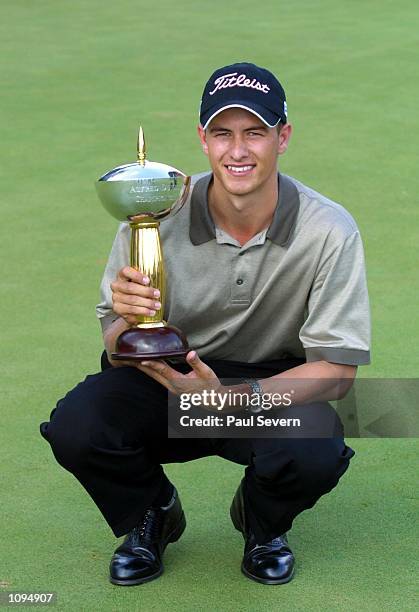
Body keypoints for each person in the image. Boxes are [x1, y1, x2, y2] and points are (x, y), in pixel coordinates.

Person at [40, 62, 371, 586]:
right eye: (223, 133)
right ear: (203, 139)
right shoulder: (152, 208)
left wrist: (227, 399)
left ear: (282, 137)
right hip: (171, 380)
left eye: (254, 133)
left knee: (316, 449)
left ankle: (263, 523)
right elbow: (112, 340)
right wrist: (128, 325)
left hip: (264, 388)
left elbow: (337, 372)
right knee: (77, 426)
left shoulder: (328, 229)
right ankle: (153, 511)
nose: (237, 151)